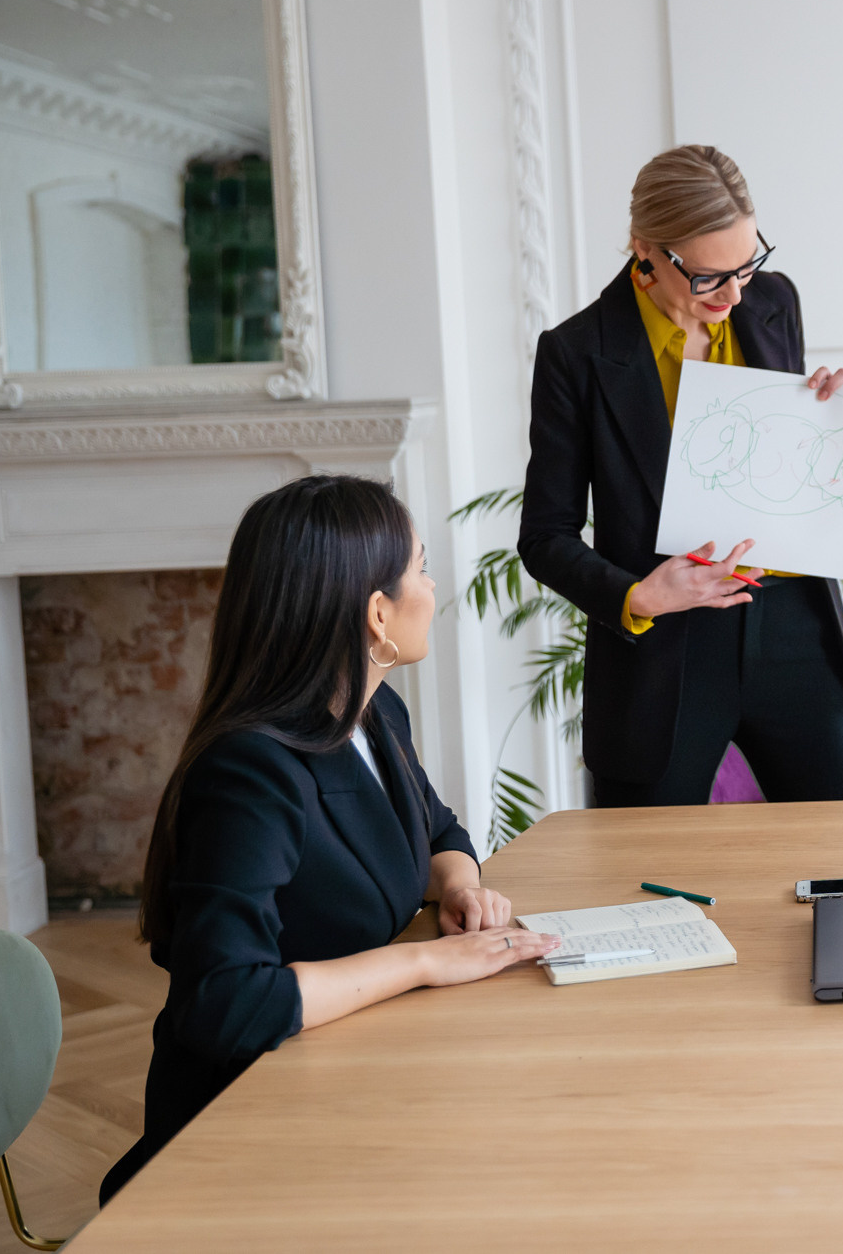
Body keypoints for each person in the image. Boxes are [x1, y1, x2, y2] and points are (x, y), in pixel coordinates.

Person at [100, 475, 558, 1204]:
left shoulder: (376, 718)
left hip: (354, 1069)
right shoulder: (249, 771)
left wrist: (463, 887)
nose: (433, 588)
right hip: (248, 1131)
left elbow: (438, 829)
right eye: (421, 567)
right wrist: (428, 962)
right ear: (379, 613)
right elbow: (225, 1002)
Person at [518, 144, 843, 807]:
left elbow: (782, 469)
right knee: (642, 884)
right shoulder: (575, 354)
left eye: (748, 263)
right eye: (711, 277)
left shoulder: (773, 302)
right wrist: (638, 597)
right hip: (663, 656)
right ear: (644, 249)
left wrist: (828, 415)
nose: (736, 293)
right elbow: (544, 535)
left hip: (796, 627)